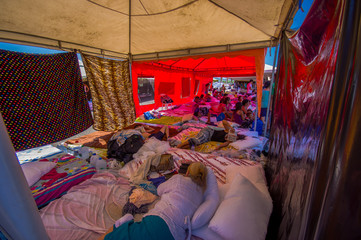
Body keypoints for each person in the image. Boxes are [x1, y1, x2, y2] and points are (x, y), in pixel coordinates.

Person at [103, 162, 208, 240]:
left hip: (159, 224)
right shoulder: (201, 194)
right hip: (177, 236)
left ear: (188, 172)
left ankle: (124, 222)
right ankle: (126, 222)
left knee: (116, 235)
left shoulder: (179, 179)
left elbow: (159, 190)